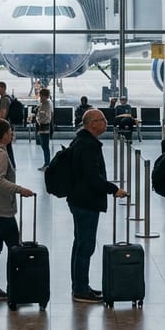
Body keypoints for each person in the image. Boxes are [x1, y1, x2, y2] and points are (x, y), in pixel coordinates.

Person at [66, 109, 127, 303]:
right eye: (102, 120)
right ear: (92, 124)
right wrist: (113, 189)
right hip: (86, 201)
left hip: (78, 199)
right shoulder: (88, 145)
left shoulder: (80, 141)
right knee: (86, 246)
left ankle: (79, 285)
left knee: (80, 244)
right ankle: (81, 290)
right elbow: (92, 177)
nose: (106, 122)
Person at [0, 118, 35, 302]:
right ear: (3, 135)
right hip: (0, 209)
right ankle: (15, 287)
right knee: (15, 248)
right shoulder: (0, 153)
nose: (12, 134)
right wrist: (20, 190)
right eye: (10, 131)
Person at [35, 87, 52, 170]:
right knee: (43, 146)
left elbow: (46, 117)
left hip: (44, 127)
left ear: (46, 96)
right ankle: (46, 163)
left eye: (41, 96)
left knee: (45, 146)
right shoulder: (42, 104)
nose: (40, 98)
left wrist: (39, 119)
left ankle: (47, 164)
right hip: (41, 127)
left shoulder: (47, 104)